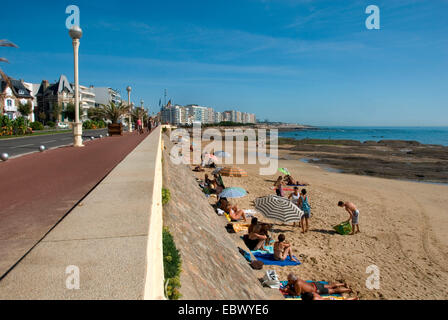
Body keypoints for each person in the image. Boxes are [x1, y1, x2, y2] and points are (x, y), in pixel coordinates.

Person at [285, 273, 351, 297]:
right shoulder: (297, 279)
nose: (288, 281)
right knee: (330, 286)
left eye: (289, 280)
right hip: (315, 284)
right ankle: (343, 284)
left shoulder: (297, 284)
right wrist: (289, 285)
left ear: (293, 280)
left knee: (333, 291)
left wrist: (288, 291)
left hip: (317, 290)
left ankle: (349, 289)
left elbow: (298, 294)